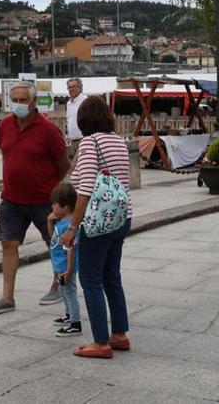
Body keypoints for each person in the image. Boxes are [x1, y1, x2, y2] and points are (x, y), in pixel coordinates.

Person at [0, 82, 69, 315]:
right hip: (12, 199)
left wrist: (48, 186)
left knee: (54, 244)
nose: (18, 104)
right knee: (8, 244)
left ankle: (58, 284)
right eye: (14, 100)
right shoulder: (4, 126)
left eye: (23, 100)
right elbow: (9, 154)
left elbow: (63, 164)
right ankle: (7, 297)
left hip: (43, 199)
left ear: (33, 102)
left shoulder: (49, 130)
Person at [61, 95, 132, 359]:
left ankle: (100, 341)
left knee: (90, 279)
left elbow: (86, 190)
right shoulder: (119, 142)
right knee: (112, 276)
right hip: (121, 218)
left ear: (83, 119)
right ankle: (119, 334)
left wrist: (72, 227)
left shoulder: (90, 143)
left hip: (97, 222)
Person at [47, 182, 82, 337]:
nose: (52, 207)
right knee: (64, 291)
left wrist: (68, 270)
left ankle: (75, 323)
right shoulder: (61, 222)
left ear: (66, 206)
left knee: (70, 292)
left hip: (66, 266)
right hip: (59, 264)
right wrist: (49, 221)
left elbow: (71, 250)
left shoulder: (70, 226)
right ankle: (68, 315)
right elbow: (52, 239)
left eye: (54, 204)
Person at [65, 78, 85, 161]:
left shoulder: (85, 100)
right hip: (73, 142)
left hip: (83, 140)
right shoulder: (69, 104)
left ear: (80, 88)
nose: (71, 89)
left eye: (74, 86)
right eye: (69, 87)